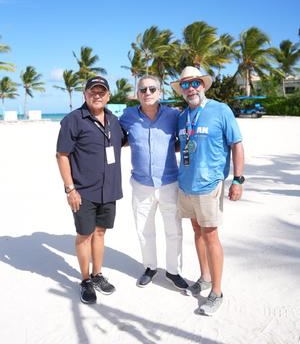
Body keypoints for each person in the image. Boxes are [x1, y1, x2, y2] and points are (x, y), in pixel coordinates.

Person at [171, 66, 244, 315]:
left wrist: (238, 180)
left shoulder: (220, 110)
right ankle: (204, 278)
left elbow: (236, 144)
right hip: (186, 184)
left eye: (195, 83)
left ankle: (217, 291)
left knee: (211, 235)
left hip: (209, 184)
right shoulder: (182, 116)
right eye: (185, 84)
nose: (191, 88)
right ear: (181, 90)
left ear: (203, 85)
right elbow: (184, 146)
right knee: (196, 231)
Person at [56, 76, 124, 304]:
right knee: (84, 235)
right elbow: (62, 155)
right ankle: (85, 279)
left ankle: (97, 275)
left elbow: (125, 141)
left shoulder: (114, 121)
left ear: (108, 96)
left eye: (101, 92)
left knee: (100, 233)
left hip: (109, 189)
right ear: (84, 95)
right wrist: (70, 189)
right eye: (92, 92)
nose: (97, 95)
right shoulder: (73, 120)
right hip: (83, 191)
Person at [119, 75, 188, 290]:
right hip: (141, 184)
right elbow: (115, 139)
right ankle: (150, 267)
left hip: (169, 182)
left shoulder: (173, 116)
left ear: (160, 92)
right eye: (143, 90)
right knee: (144, 230)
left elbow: (182, 142)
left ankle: (173, 271)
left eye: (152, 89)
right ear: (137, 94)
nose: (147, 93)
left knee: (174, 230)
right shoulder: (128, 116)